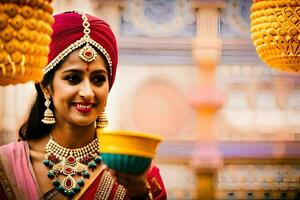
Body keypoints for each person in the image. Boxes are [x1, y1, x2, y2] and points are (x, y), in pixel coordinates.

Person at [0, 11, 167, 200]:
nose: (88, 92)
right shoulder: (6, 166)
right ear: (46, 87)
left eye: (98, 79)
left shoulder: (137, 174)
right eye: (73, 78)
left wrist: (139, 194)